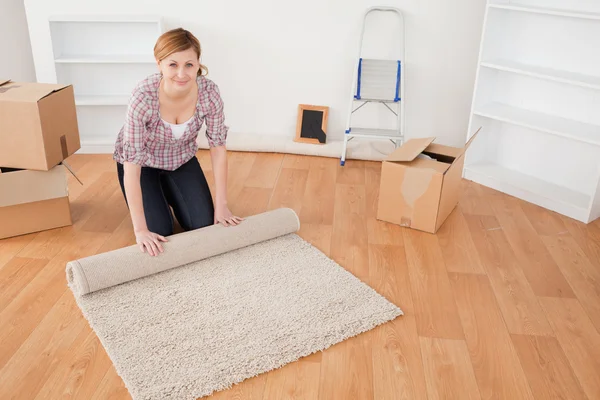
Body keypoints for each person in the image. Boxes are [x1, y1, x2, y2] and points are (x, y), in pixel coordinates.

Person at [113, 27, 243, 257]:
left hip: (180, 159)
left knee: (203, 224)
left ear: (198, 63)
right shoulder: (143, 97)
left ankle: (170, 189)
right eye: (173, 65)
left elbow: (218, 148)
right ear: (159, 63)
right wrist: (140, 230)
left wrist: (222, 204)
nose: (181, 74)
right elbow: (132, 167)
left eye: (189, 65)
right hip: (143, 165)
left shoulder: (209, 93)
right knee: (160, 231)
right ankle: (157, 193)